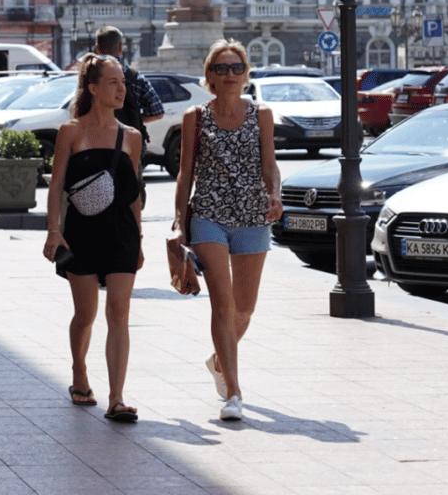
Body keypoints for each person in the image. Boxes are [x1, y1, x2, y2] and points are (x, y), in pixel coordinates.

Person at [171, 39, 282, 422]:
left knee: (244, 307)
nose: (230, 74)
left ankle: (219, 359)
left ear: (246, 73)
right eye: (221, 68)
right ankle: (234, 392)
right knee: (222, 302)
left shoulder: (261, 114)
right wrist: (178, 218)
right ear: (210, 76)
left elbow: (270, 165)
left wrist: (275, 194)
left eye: (236, 67)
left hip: (252, 217)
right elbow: (186, 171)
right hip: (209, 216)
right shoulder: (195, 117)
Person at [42, 55, 144, 424]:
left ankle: (116, 398)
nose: (122, 89)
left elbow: (132, 193)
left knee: (119, 311)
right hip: (81, 234)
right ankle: (79, 373)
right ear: (93, 88)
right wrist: (54, 230)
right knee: (85, 314)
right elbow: (56, 187)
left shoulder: (131, 137)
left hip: (122, 233)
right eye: (113, 82)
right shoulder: (71, 131)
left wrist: (141, 239)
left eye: (123, 82)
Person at [93, 26, 164, 203]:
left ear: (97, 48)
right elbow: (157, 111)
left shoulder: (91, 79)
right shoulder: (134, 77)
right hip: (130, 143)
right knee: (132, 191)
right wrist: (137, 120)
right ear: (121, 47)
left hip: (97, 142)